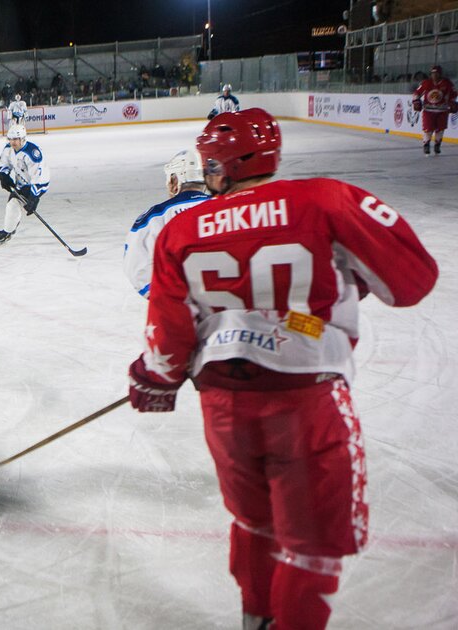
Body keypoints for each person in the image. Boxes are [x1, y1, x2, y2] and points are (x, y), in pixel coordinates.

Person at [127, 108, 438, 630]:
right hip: (307, 398)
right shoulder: (324, 199)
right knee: (311, 548)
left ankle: (257, 620)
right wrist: (348, 279)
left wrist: (154, 378)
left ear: (220, 169)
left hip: (224, 406)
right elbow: (413, 281)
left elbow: (169, 335)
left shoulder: (181, 228)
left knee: (253, 524)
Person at [123, 148, 211, 298]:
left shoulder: (154, 216)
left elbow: (137, 268)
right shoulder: (227, 208)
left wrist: (163, 299)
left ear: (175, 179)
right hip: (229, 309)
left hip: (176, 309)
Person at [0, 124, 50, 246]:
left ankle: (8, 231)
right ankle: (9, 230)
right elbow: (5, 164)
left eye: (15, 139)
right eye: (11, 139)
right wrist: (4, 176)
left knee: (13, 203)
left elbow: (37, 177)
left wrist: (34, 197)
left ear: (23, 139)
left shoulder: (32, 153)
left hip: (39, 184)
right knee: (12, 204)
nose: (13, 142)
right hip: (22, 183)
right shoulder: (8, 149)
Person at [412, 65, 457, 155]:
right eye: (433, 73)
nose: (434, 75)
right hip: (428, 110)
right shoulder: (426, 83)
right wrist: (416, 101)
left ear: (440, 74)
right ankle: (426, 144)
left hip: (442, 110)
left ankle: (437, 144)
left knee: (440, 129)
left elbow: (454, 93)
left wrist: (452, 102)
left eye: (436, 73)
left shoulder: (447, 83)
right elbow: (417, 93)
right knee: (428, 129)